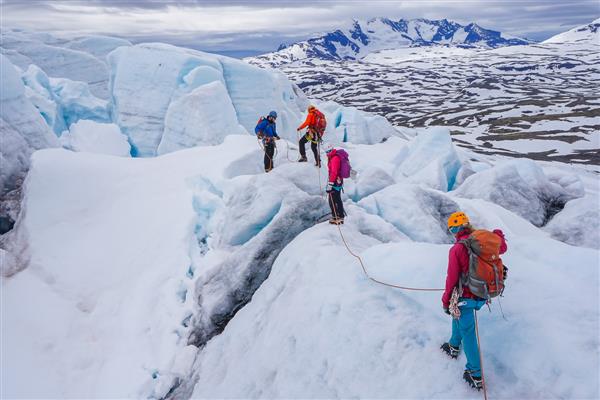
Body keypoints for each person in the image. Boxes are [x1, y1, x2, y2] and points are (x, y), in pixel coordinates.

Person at [440, 212, 507, 390]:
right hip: (483, 295)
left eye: (452, 229)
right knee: (458, 316)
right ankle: (453, 345)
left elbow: (452, 278)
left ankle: (475, 373)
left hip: (466, 298)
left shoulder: (457, 249)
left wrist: (446, 300)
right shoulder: (483, 242)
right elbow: (502, 248)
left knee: (468, 332)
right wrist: (498, 234)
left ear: (455, 229)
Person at [325, 144, 345, 225]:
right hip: (338, 181)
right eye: (326, 152)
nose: (327, 154)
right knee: (337, 198)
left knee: (332, 200)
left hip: (335, 182)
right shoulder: (334, 156)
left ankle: (336, 217)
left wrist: (330, 184)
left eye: (327, 152)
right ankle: (340, 215)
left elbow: (334, 172)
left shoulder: (334, 158)